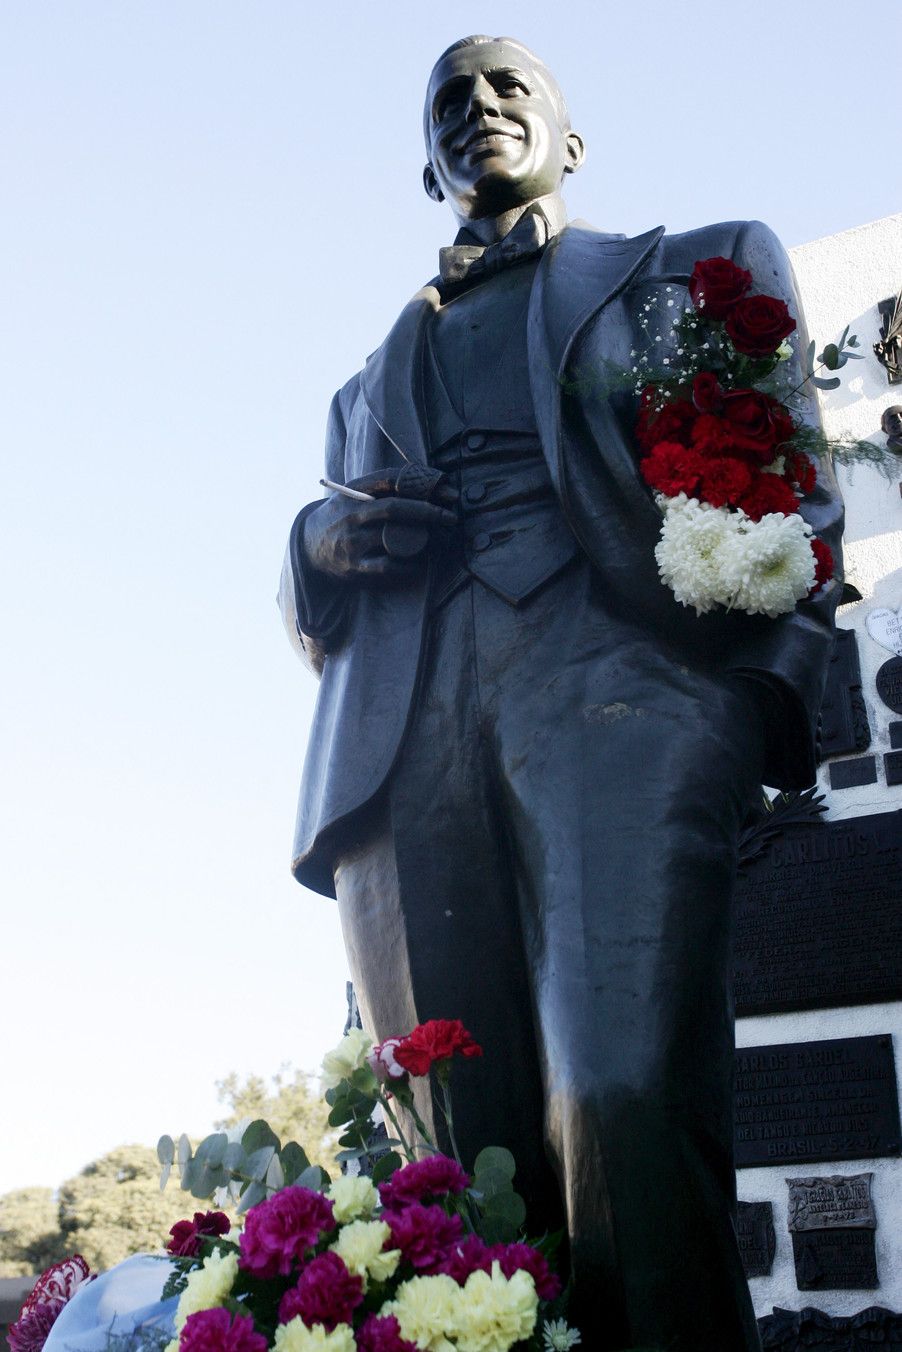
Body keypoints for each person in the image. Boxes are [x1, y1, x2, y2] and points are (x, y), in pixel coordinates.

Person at [280, 35, 843, 1351]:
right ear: (425, 168)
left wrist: (757, 704)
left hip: (620, 686)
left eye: (505, 87)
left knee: (617, 1094)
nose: (475, 109)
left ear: (569, 139)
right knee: (447, 1164)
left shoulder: (688, 270)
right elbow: (328, 597)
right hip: (402, 745)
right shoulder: (359, 389)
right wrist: (311, 549)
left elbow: (793, 492)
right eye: (445, 104)